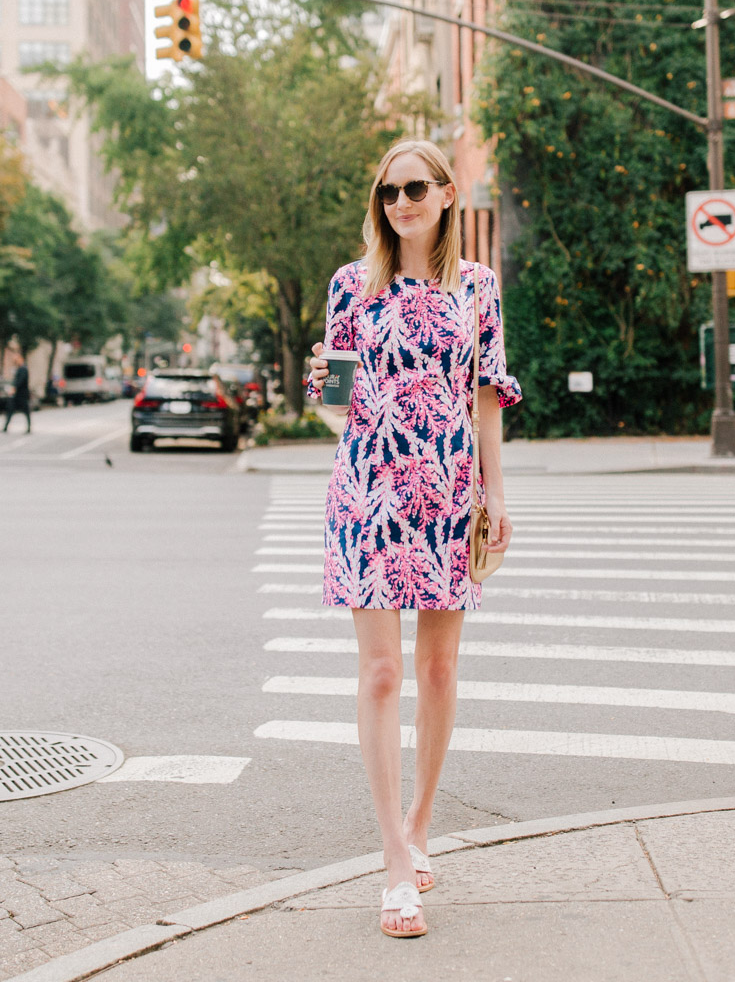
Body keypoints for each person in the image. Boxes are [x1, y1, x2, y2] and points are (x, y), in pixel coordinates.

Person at [305, 139, 520, 939]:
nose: (401, 202)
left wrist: (496, 492)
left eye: (415, 187)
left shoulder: (478, 288)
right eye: (389, 191)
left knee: (437, 666)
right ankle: (394, 859)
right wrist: (320, 381)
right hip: (367, 486)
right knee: (383, 672)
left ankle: (422, 824)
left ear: (445, 194)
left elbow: (488, 393)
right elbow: (336, 397)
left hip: (447, 487)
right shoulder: (349, 285)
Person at [0, 355, 33, 433]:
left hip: (21, 394)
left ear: (21, 359)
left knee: (26, 411)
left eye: (17, 360)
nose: (16, 362)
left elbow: (20, 381)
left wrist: (14, 388)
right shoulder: (19, 369)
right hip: (17, 394)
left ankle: (29, 427)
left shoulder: (23, 369)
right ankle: (5, 427)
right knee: (10, 409)